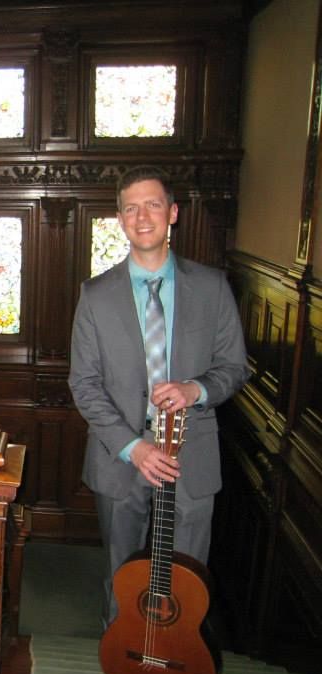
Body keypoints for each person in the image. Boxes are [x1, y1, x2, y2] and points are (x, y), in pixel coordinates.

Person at [68, 165, 249, 628]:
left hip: (192, 455)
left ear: (173, 213)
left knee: (187, 579)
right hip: (120, 457)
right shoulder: (95, 295)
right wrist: (133, 447)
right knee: (122, 573)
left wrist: (196, 389)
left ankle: (179, 658)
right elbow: (84, 384)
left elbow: (234, 367)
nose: (142, 216)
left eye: (152, 205)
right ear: (120, 220)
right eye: (131, 208)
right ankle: (121, 650)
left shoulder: (212, 287)